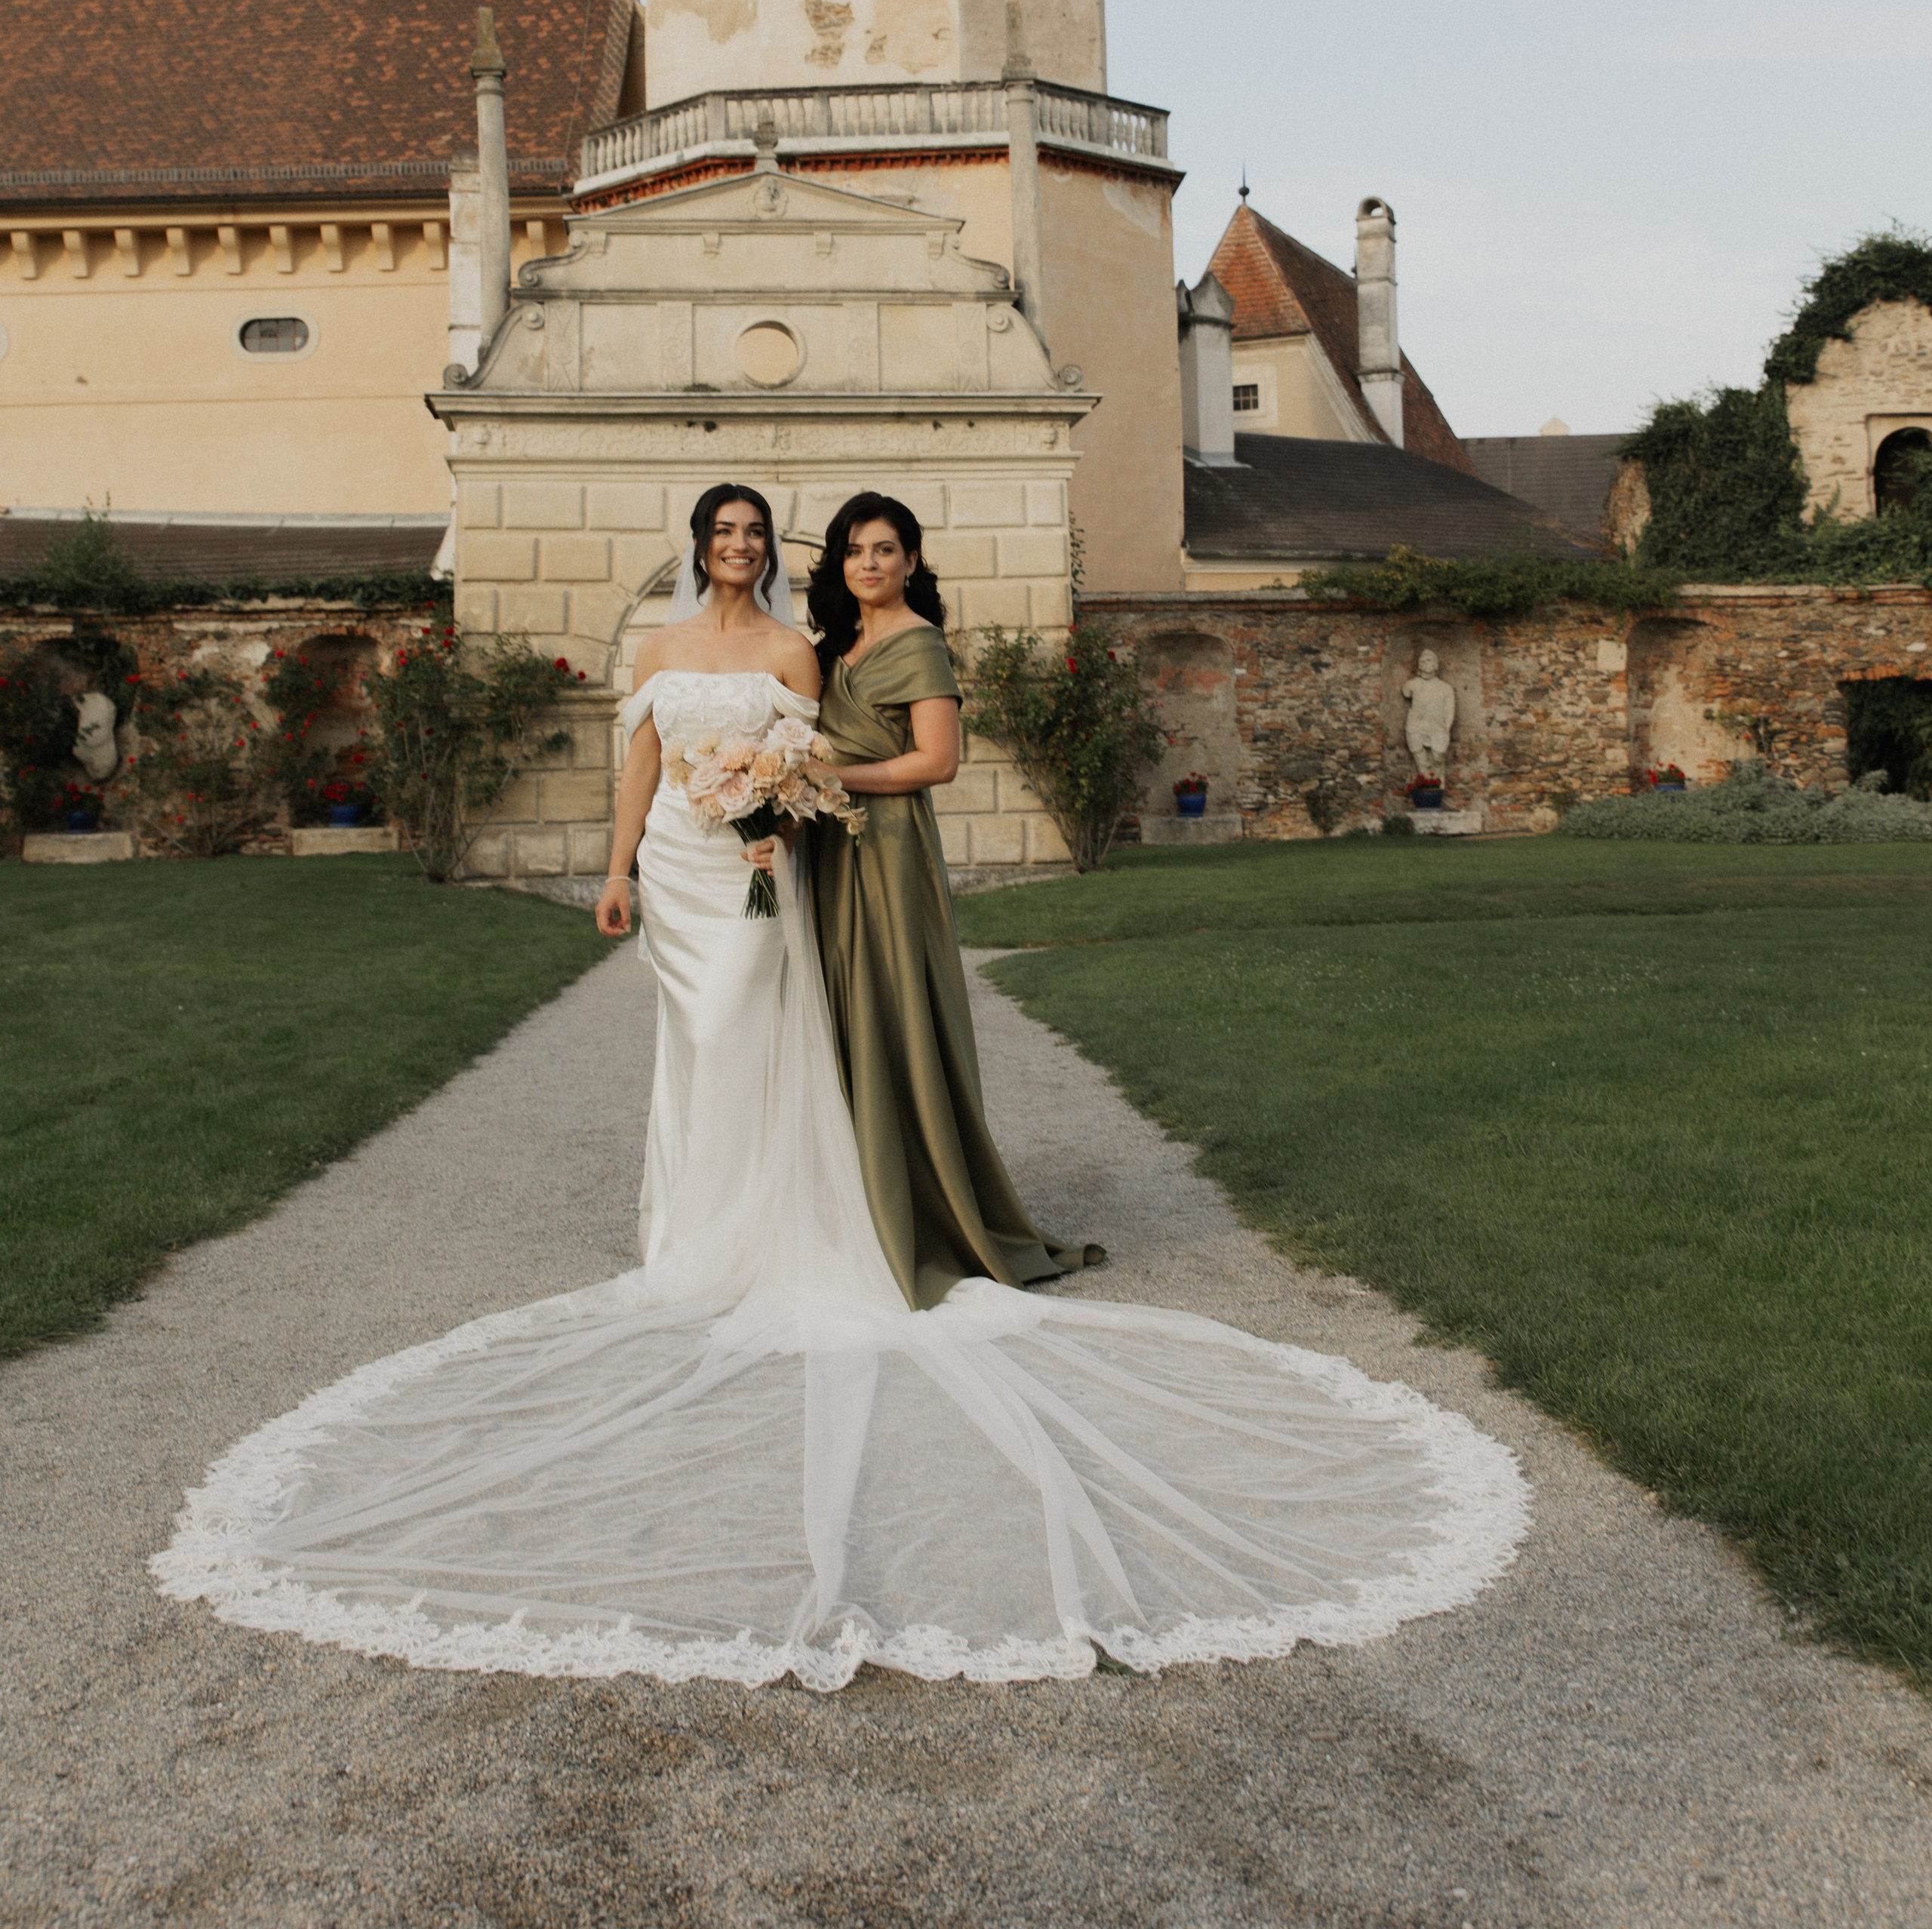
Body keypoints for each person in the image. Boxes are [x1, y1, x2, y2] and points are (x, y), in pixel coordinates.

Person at [152, 480, 1526, 1691]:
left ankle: (792, 1227)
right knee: (691, 1048)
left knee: (767, 1030)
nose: (746, 548)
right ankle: (695, 1235)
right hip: (681, 875)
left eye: (762, 532)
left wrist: (778, 799)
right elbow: (639, 756)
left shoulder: (805, 652)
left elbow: (833, 762)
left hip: (762, 869)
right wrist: (618, 867)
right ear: (701, 546)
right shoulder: (661, 643)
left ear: (785, 552)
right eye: (728, 532)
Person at [804, 491, 1097, 1307]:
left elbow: (937, 763)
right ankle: (859, 1196)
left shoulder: (919, 643)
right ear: (839, 562)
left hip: (889, 850)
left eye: (886, 549)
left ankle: (925, 1206)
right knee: (842, 1009)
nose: (870, 563)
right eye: (856, 550)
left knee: (896, 1007)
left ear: (910, 562)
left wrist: (830, 779)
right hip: (830, 849)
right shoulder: (836, 648)